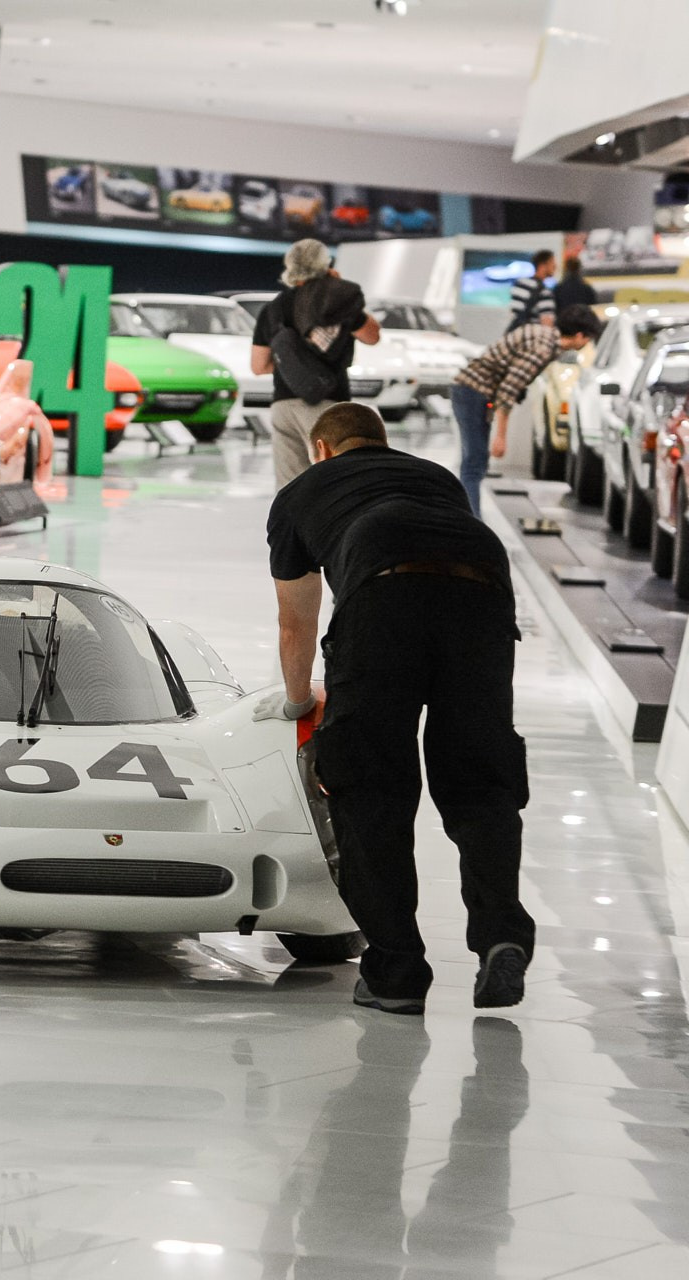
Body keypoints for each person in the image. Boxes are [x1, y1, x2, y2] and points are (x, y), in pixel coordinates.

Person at [261, 401, 532, 1016]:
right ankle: (502, 935)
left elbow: (295, 620)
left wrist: (300, 700)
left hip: (382, 594)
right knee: (480, 778)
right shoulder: (435, 477)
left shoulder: (301, 493)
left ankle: (397, 973)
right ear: (380, 441)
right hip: (483, 588)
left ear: (321, 449)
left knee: (370, 786)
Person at [250, 239, 381, 489]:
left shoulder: (273, 308)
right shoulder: (336, 301)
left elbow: (259, 366)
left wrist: (293, 365)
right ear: (325, 264)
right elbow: (372, 336)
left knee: (291, 488)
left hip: (283, 404)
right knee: (335, 482)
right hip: (327, 403)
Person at [449, 304, 601, 511]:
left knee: (476, 461)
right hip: (472, 391)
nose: (587, 343)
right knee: (474, 462)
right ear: (579, 335)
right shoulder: (544, 348)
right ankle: (471, 520)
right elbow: (508, 390)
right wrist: (501, 437)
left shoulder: (545, 336)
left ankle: (470, 516)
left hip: (473, 390)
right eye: (588, 338)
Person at [506, 250, 557, 331]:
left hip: (516, 333)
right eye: (552, 263)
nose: (555, 267)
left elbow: (514, 312)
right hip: (533, 335)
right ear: (542, 265)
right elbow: (547, 325)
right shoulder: (545, 292)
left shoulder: (520, 284)